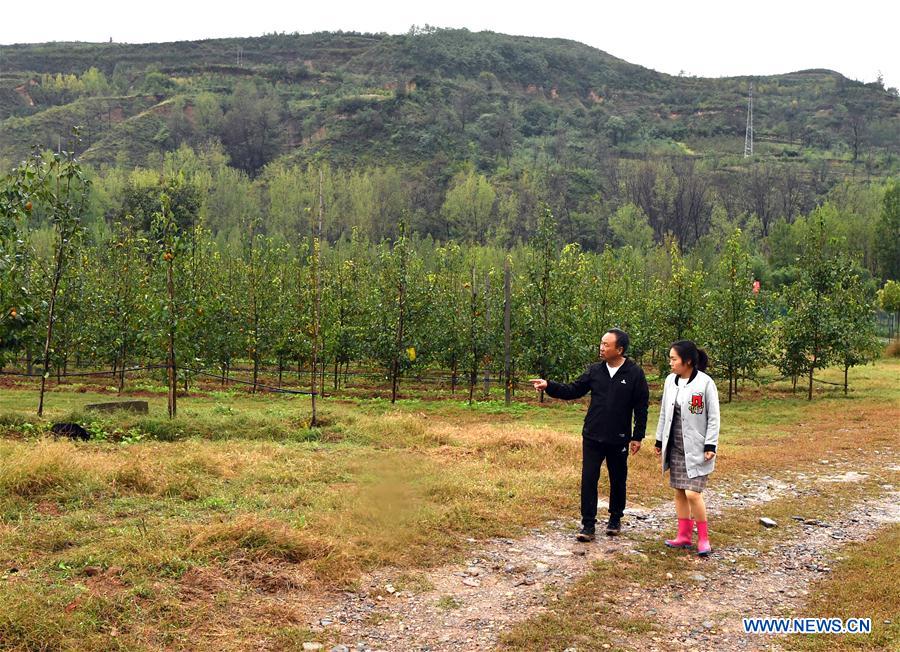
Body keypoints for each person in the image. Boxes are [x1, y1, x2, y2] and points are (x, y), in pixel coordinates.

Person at [530, 329, 649, 541]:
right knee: (589, 478)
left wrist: (637, 436)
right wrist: (549, 386)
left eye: (606, 345)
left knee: (618, 478)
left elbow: (641, 407)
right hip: (593, 435)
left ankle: (615, 518)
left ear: (619, 349)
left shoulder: (634, 373)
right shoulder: (595, 371)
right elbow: (573, 390)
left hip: (619, 436)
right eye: (601, 343)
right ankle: (588, 524)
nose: (601, 348)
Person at [654, 340, 720, 556]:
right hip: (675, 445)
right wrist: (659, 440)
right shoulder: (670, 381)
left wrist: (710, 444)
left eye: (674, 359)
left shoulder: (705, 383)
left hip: (698, 447)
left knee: (693, 493)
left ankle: (703, 538)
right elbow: (664, 412)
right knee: (680, 492)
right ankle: (683, 535)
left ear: (688, 361)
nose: (670, 363)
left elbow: (713, 417)